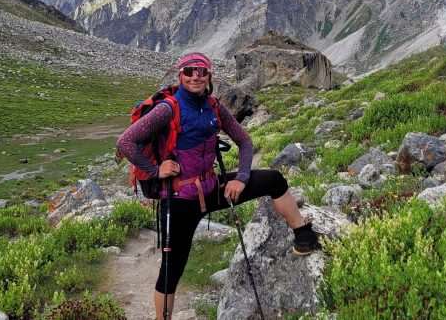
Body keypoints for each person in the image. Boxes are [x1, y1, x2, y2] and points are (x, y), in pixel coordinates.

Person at [116, 52, 321, 319]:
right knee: (171, 270)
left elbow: (245, 141)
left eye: (202, 71)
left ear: (209, 76)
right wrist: (155, 171)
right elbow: (125, 142)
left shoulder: (214, 107)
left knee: (274, 180)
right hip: (178, 200)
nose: (195, 76)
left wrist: (241, 178)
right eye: (189, 71)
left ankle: (303, 234)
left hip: (212, 189)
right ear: (181, 75)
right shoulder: (168, 108)